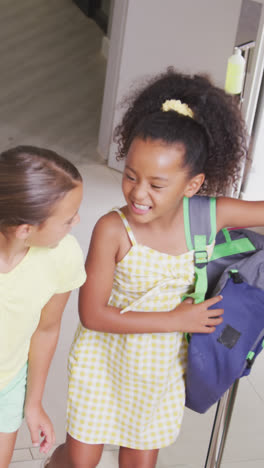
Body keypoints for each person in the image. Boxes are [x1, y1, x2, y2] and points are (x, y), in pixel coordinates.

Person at [46, 68, 262, 468]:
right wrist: (177, 318)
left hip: (160, 370)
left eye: (157, 184)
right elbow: (92, 315)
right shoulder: (114, 228)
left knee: (140, 463)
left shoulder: (208, 217)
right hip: (103, 362)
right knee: (80, 462)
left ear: (193, 185)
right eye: (130, 176)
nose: (138, 193)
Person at [0, 145, 86, 468]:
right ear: (26, 230)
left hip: (6, 384)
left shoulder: (63, 255)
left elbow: (47, 329)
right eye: (67, 219)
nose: (76, 221)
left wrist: (32, 404)